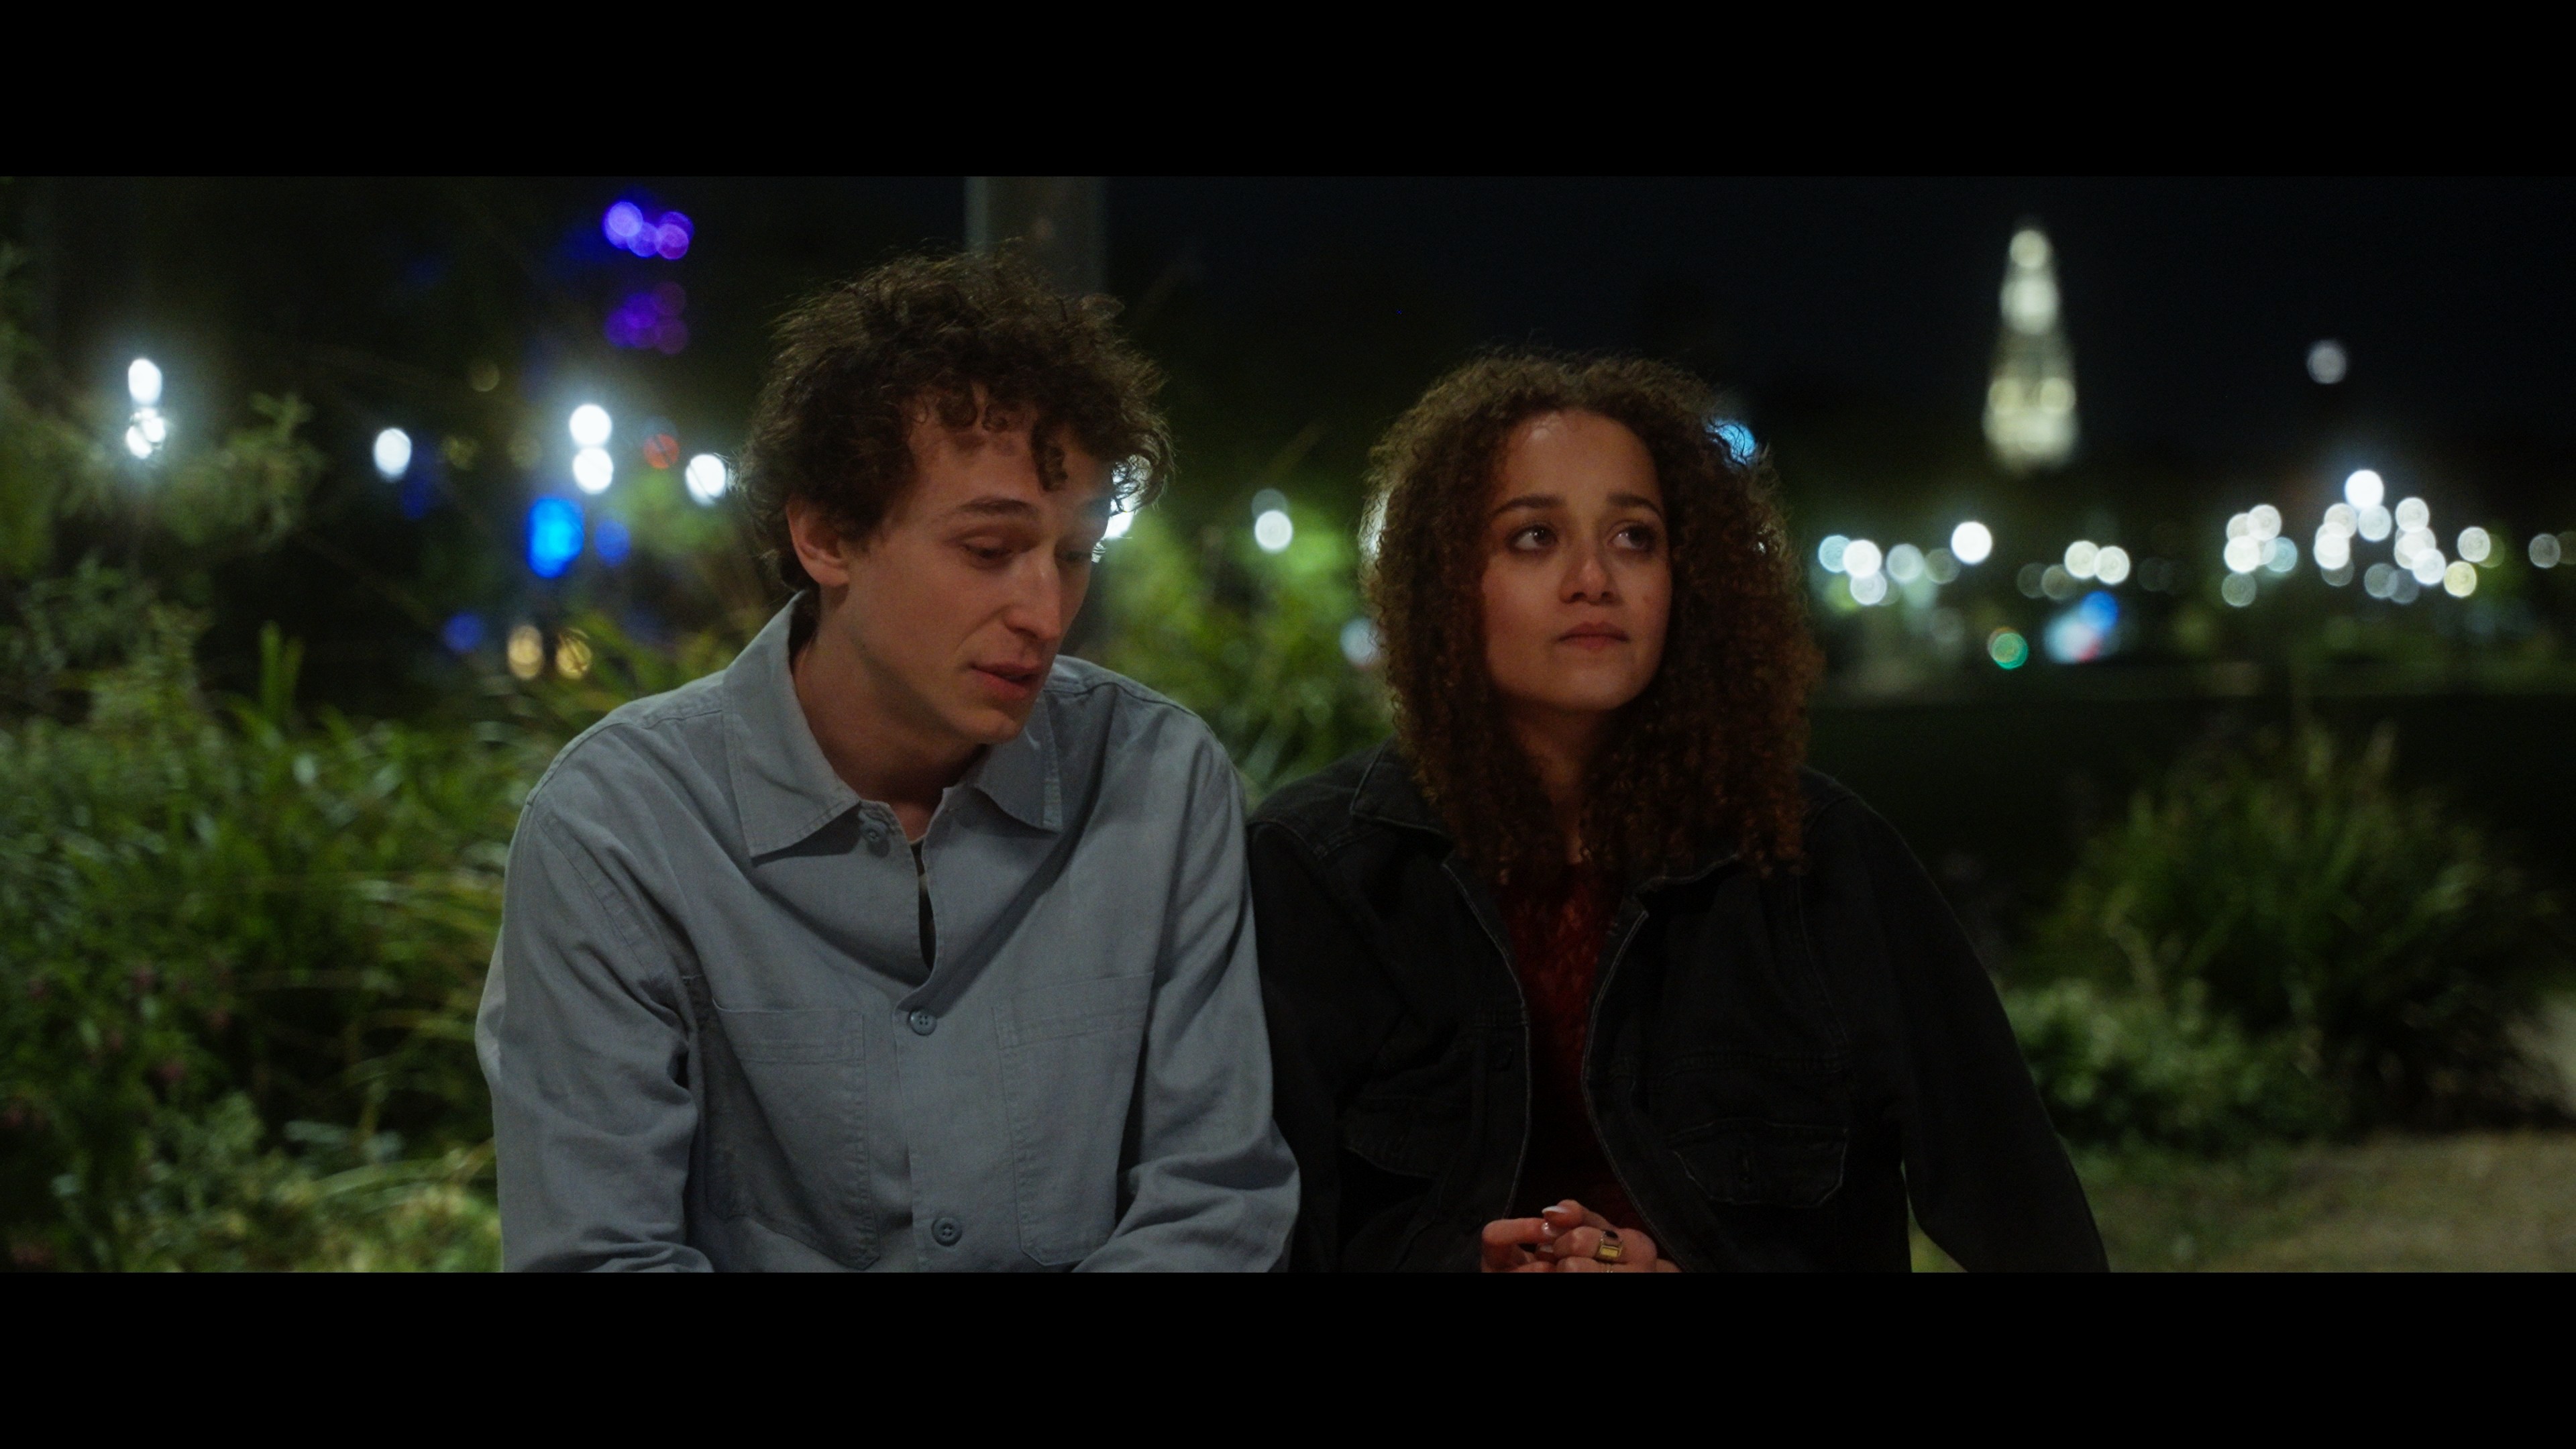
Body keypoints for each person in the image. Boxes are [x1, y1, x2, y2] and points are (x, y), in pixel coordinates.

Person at [477, 254, 1298, 1270]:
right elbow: (599, 1253)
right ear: (827, 536)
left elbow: (1216, 1203)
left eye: (1075, 555)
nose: (1045, 614)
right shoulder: (621, 829)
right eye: (988, 551)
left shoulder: (1158, 783)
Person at [1250, 353, 2105, 1271]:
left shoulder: (1815, 862)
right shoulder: (1321, 872)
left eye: (1635, 538)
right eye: (1534, 537)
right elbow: (1261, 1237)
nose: (1593, 578)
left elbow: (2026, 1216)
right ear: (1446, 579)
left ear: (1688, 579)